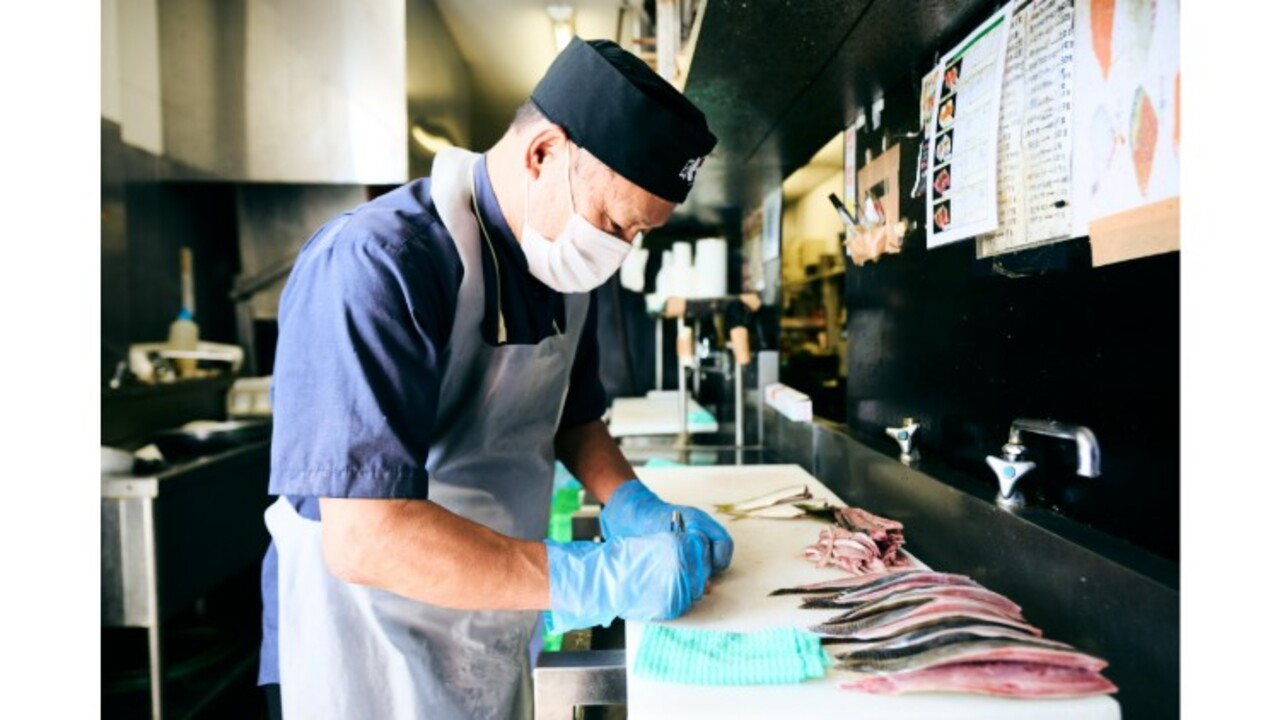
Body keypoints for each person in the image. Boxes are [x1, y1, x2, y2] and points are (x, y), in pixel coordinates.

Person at [258, 37, 733, 719]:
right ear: (543, 154)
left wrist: (633, 503)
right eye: (614, 223)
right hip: (364, 632)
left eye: (637, 234)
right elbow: (365, 537)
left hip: (492, 606)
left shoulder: (565, 263)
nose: (619, 250)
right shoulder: (377, 263)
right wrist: (594, 577)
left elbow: (572, 415)